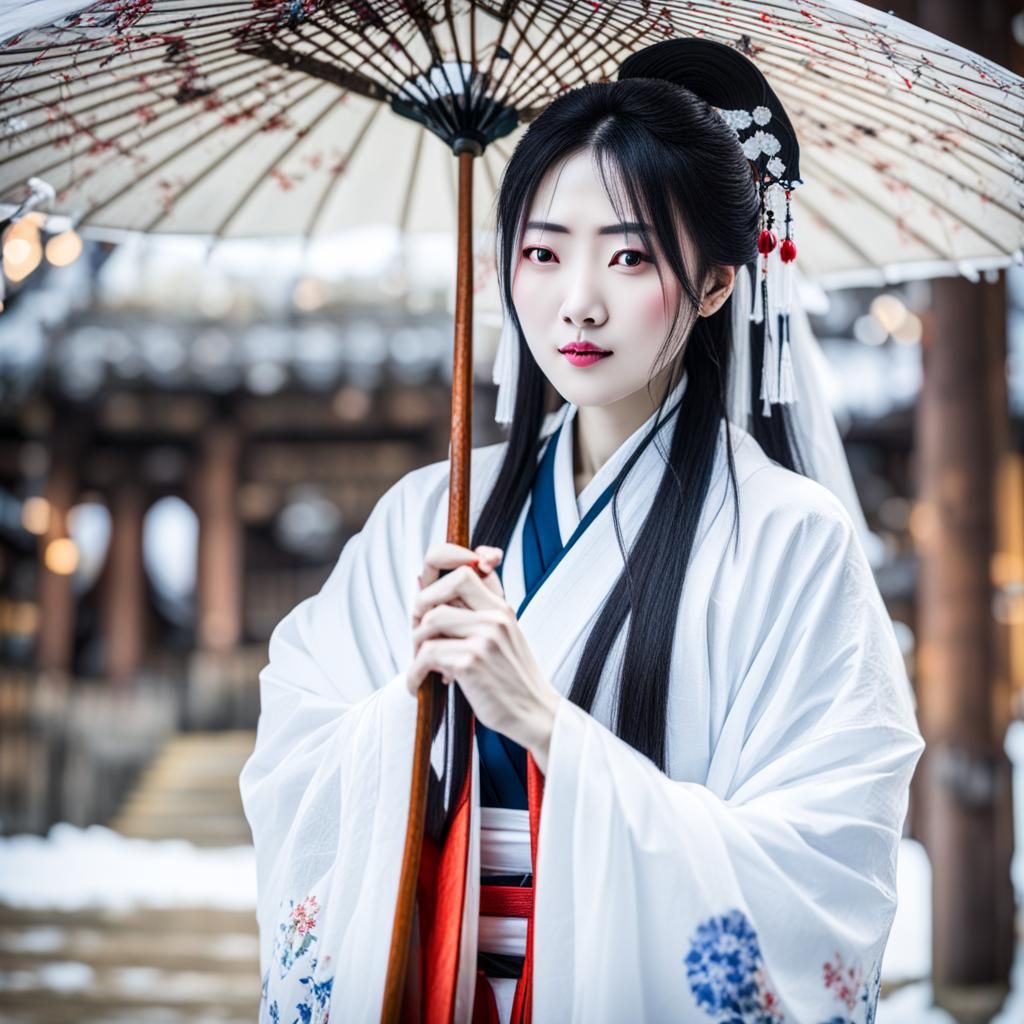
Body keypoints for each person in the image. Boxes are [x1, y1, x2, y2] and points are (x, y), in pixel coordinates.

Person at [241, 38, 924, 1024]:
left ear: (718, 284)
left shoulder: (792, 545)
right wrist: (406, 705)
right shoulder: (423, 519)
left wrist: (542, 720)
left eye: (630, 254)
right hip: (440, 986)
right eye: (544, 251)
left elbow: (821, 859)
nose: (577, 302)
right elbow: (296, 742)